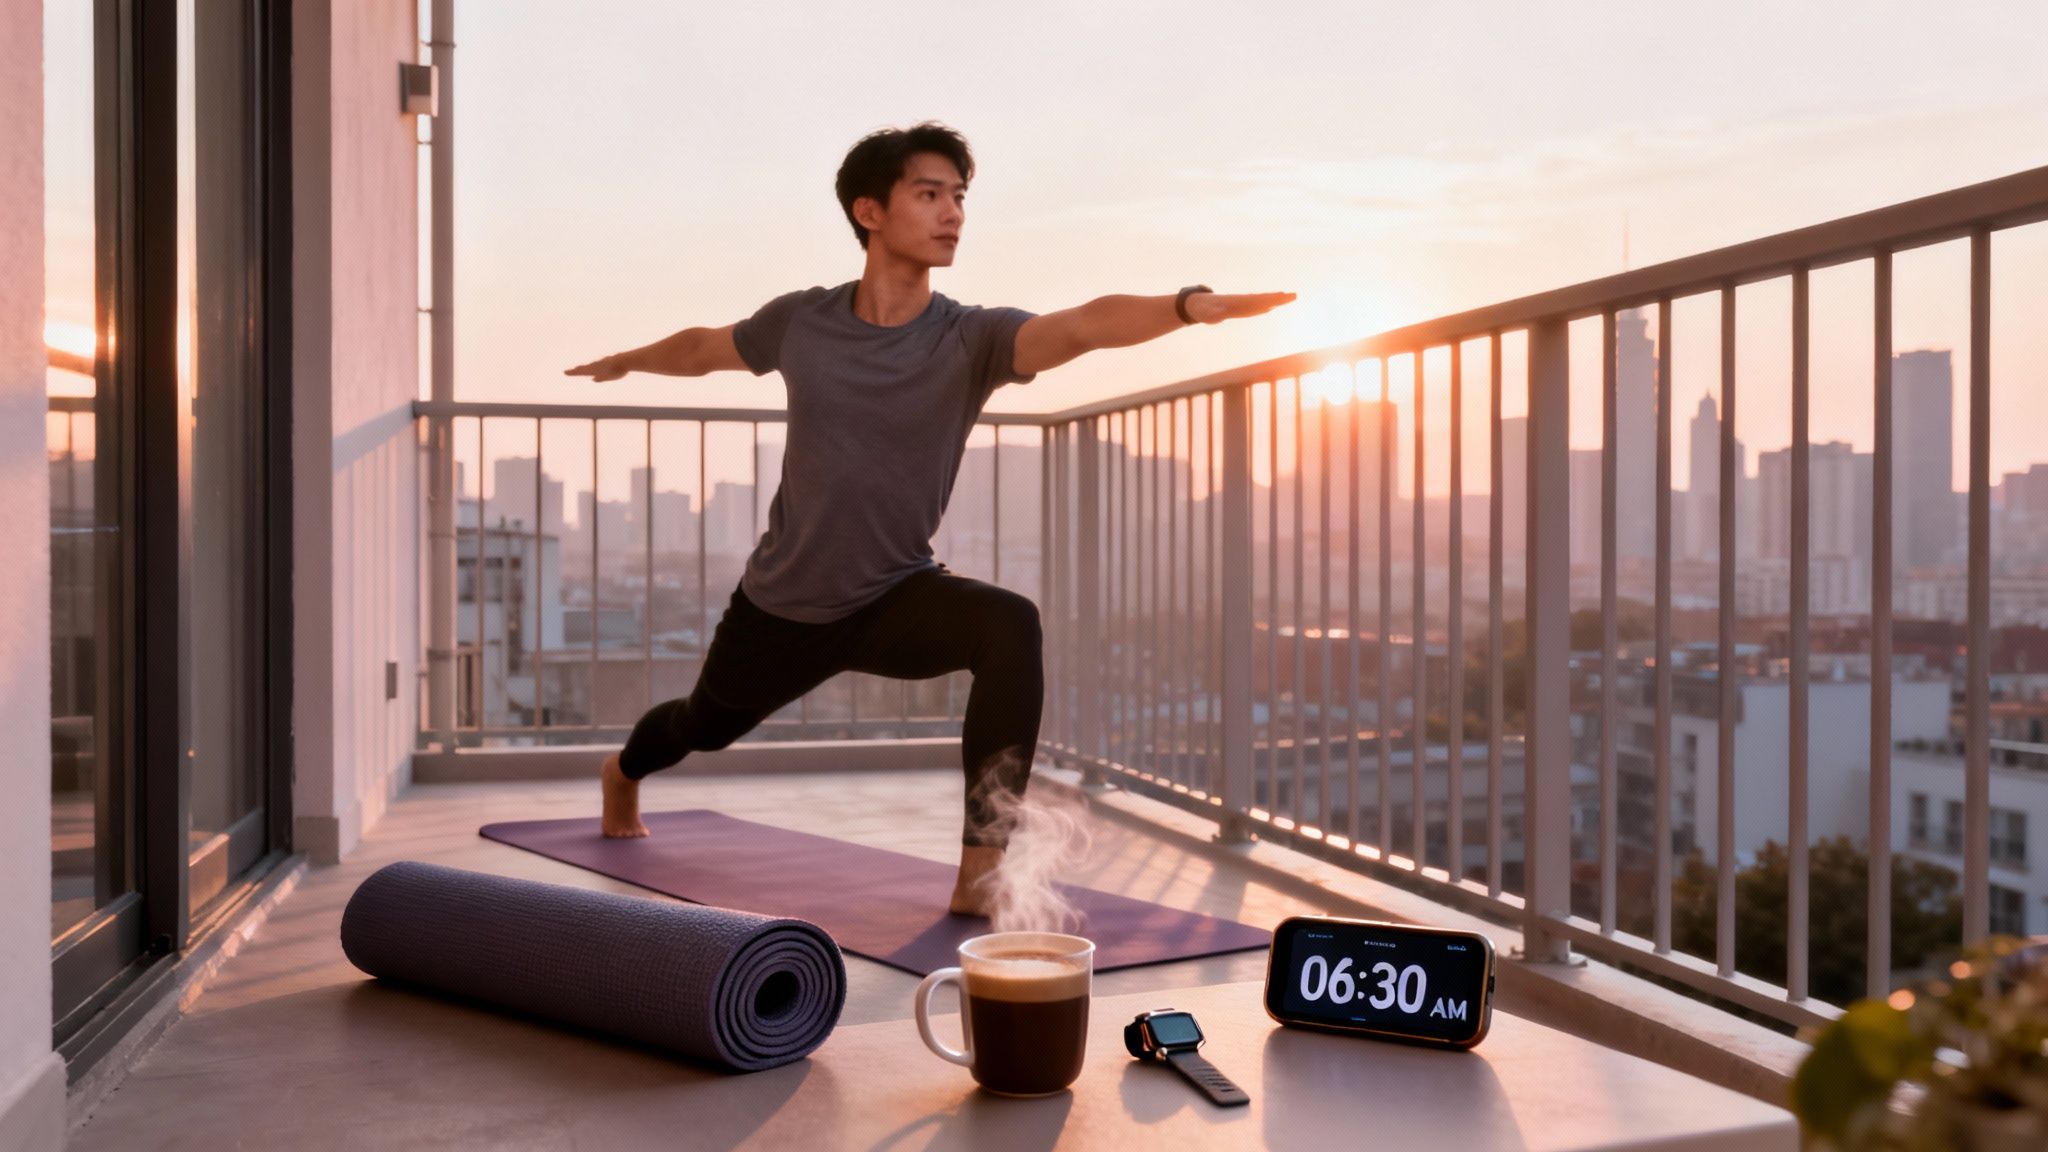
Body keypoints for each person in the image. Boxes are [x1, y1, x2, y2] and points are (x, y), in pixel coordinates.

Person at [565, 122, 1293, 915]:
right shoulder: (801, 322)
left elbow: (1082, 323)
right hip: (782, 606)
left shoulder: (970, 336)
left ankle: (980, 873)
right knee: (701, 726)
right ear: (868, 211)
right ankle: (623, 774)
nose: (953, 214)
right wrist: (631, 358)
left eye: (959, 197)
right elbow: (707, 346)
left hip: (892, 595)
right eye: (929, 194)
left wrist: (1187, 305)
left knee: (1009, 624)